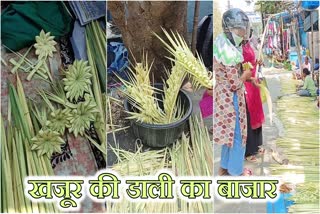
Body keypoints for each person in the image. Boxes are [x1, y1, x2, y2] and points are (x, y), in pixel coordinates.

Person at [212, 8, 252, 176]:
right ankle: (236, 170)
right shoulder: (228, 52)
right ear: (230, 29)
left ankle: (225, 166)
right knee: (237, 134)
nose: (243, 33)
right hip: (231, 97)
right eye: (240, 29)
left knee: (228, 132)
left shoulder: (221, 42)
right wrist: (245, 75)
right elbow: (235, 83)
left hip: (222, 95)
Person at [242, 30, 265, 163]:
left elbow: (251, 63)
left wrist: (257, 63)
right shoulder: (238, 49)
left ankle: (256, 146)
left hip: (254, 83)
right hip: (247, 85)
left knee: (257, 114)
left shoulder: (249, 45)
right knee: (249, 116)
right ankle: (248, 151)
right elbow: (242, 67)